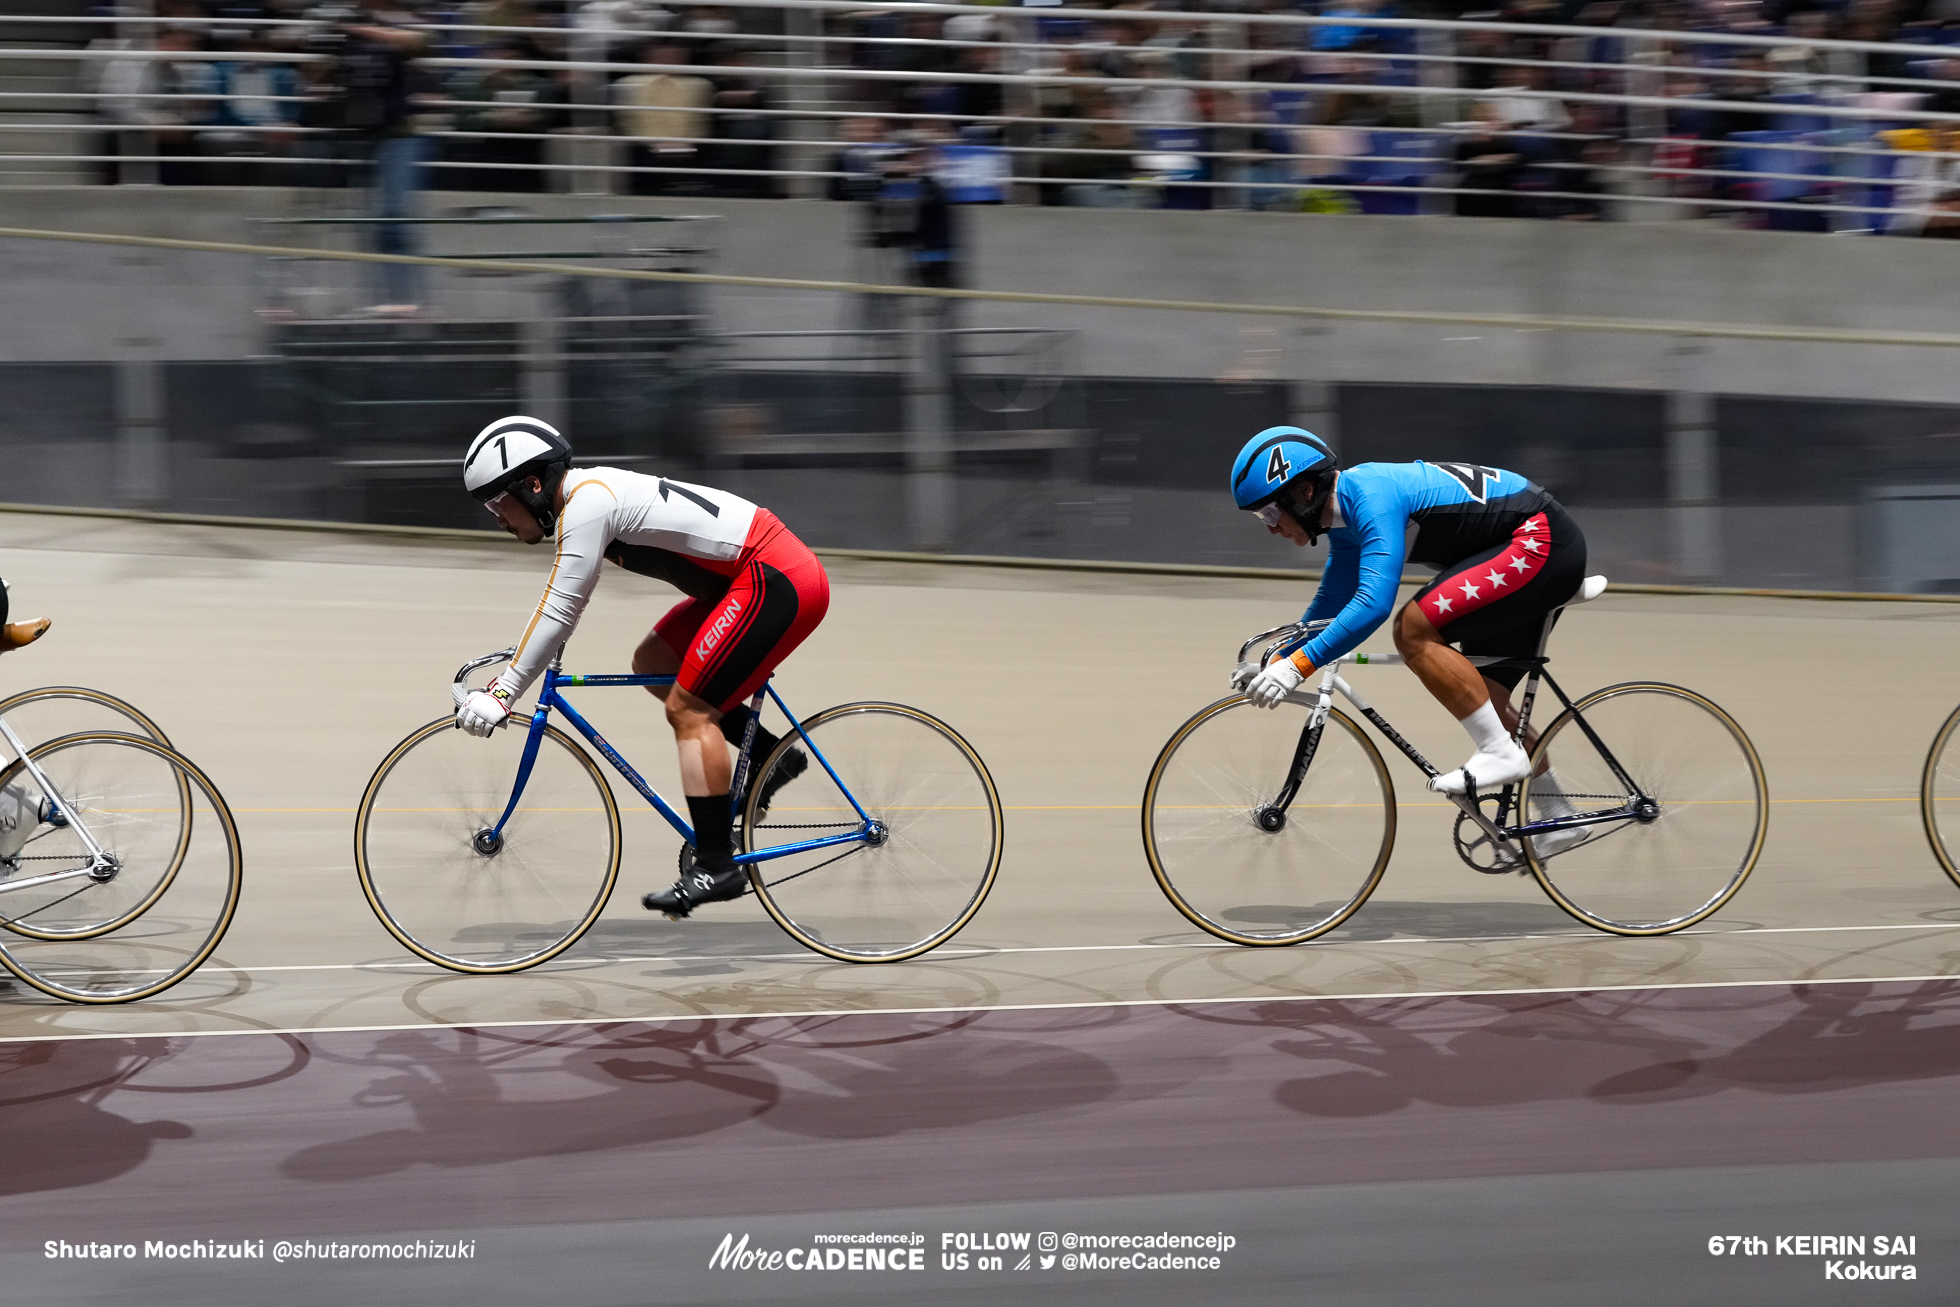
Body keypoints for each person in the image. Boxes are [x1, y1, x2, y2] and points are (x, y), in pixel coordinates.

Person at [454, 417, 830, 917]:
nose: (497, 519)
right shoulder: (585, 498)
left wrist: (504, 692)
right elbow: (564, 604)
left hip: (774, 578)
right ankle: (770, 756)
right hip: (747, 580)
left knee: (690, 709)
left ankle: (718, 865)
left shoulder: (587, 504)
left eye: (497, 503)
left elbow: (562, 606)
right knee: (654, 661)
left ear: (533, 484)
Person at [1228, 428, 1590, 851]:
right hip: (1525, 549)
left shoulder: (1371, 496)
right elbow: (1332, 604)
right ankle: (1560, 816)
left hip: (1541, 541)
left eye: (1269, 513)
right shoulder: (1343, 519)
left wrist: (1297, 667)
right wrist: (1280, 661)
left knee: (1412, 629)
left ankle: (1499, 752)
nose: (1270, 528)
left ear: (1304, 491)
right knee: (1481, 699)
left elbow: (1373, 604)